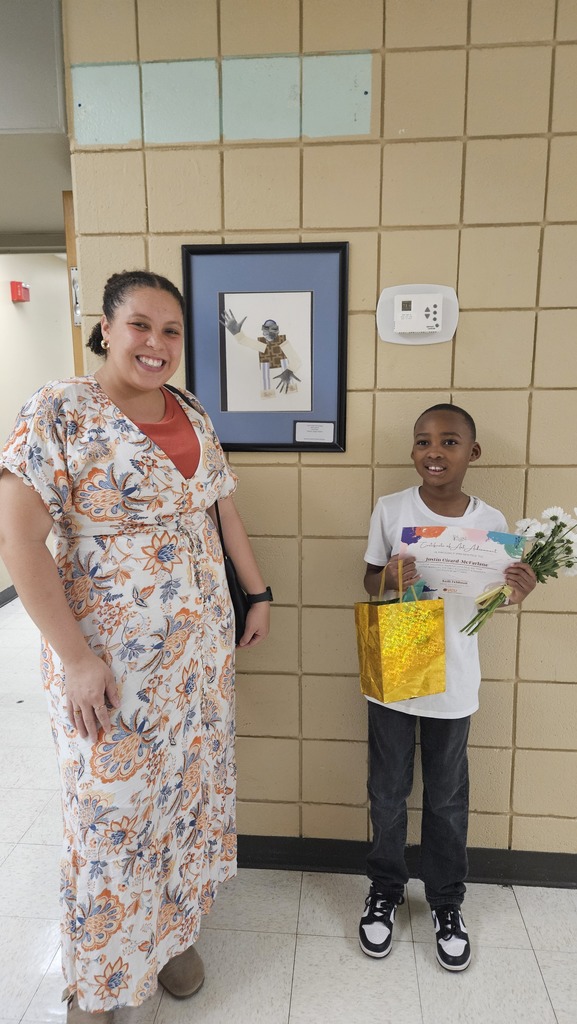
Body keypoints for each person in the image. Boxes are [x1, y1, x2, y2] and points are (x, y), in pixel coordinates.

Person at [0, 270, 272, 1019]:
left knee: (187, 797)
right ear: (106, 330)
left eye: (171, 331)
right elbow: (19, 540)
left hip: (199, 657)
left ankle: (170, 936)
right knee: (112, 816)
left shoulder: (190, 411)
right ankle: (97, 983)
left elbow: (223, 512)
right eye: (141, 326)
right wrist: (77, 660)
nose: (157, 344)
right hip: (108, 663)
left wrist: (259, 592)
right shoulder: (59, 411)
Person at [358, 404, 535, 972]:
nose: (434, 451)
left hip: (456, 669)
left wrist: (515, 590)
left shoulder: (492, 519)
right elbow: (368, 579)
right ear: (413, 451)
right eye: (423, 441)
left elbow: (489, 601)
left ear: (472, 453)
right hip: (400, 657)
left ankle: (445, 900)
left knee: (447, 796)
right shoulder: (391, 509)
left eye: (450, 441)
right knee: (386, 792)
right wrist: (389, 575)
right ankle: (385, 888)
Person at [220, 310, 302, 397]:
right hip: (266, 368)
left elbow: (296, 360)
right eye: (266, 330)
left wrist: (289, 370)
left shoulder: (283, 343)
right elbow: (244, 341)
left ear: (277, 330)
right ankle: (267, 394)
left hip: (288, 387)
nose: (268, 333)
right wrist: (237, 333)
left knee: (290, 392)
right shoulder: (263, 345)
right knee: (266, 382)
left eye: (272, 329)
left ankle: (290, 390)